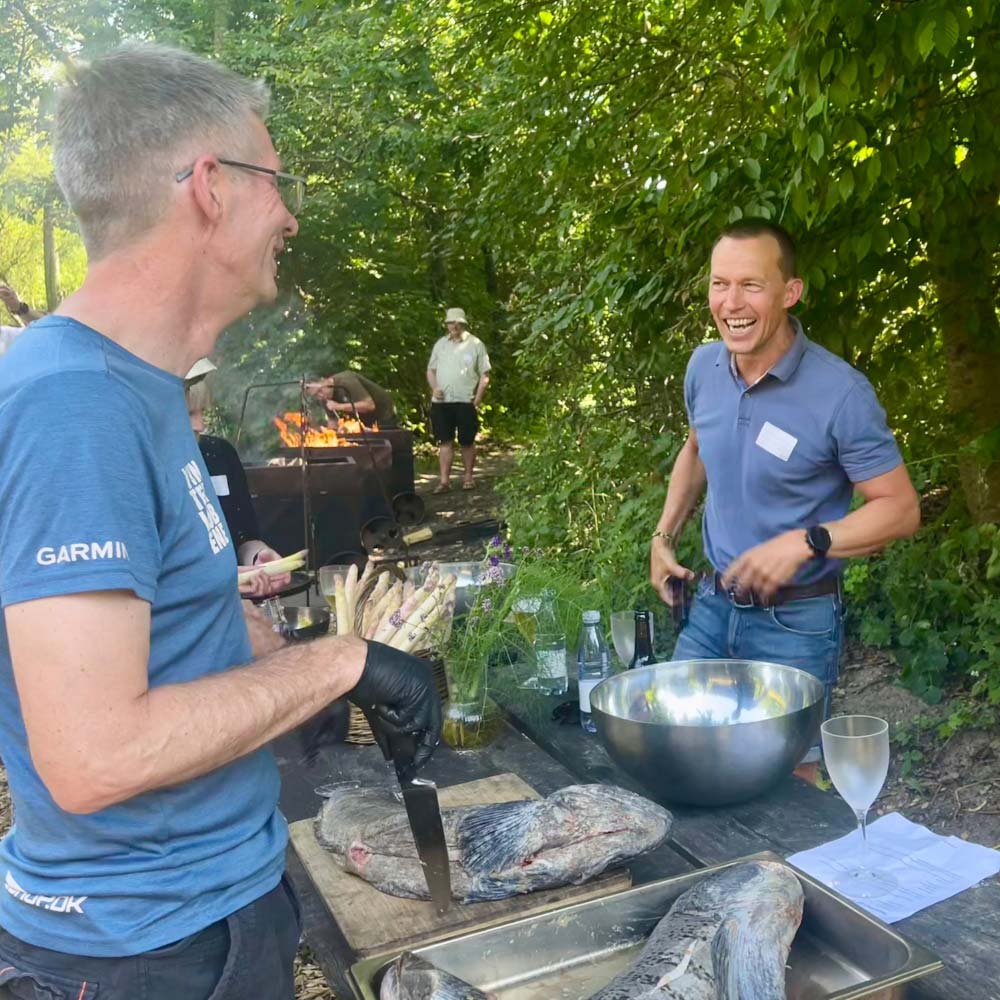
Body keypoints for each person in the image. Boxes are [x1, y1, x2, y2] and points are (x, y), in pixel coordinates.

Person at [0, 43, 440, 999]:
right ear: (209, 187)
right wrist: (341, 659)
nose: (288, 214)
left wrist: (271, 650)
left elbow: (172, 629)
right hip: (145, 956)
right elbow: (92, 755)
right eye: (275, 182)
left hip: (211, 913)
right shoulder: (74, 403)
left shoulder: (140, 390)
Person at [649, 220, 920, 741]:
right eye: (719, 284)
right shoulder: (704, 367)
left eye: (751, 285)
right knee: (677, 745)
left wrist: (807, 542)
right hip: (709, 609)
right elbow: (698, 448)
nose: (731, 302)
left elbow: (901, 508)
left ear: (790, 292)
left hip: (796, 625)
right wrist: (664, 535)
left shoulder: (841, 393)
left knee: (786, 791)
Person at [185, 360, 287, 597]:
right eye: (189, 413)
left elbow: (245, 536)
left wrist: (257, 557)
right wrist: (222, 579)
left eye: (203, 412)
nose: (199, 425)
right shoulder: (143, 469)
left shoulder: (220, 454)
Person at [426, 306, 491, 493]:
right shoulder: (440, 344)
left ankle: (468, 478)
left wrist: (477, 400)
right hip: (441, 403)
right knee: (444, 441)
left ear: (463, 323)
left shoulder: (476, 344)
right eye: (449, 322)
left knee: (467, 441)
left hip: (465, 401)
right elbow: (431, 370)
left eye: (456, 322)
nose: (452, 325)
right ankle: (444, 482)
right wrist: (434, 388)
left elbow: (484, 374)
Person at [305, 369, 397, 428]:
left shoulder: (346, 381)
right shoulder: (324, 398)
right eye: (316, 395)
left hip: (383, 415)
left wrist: (339, 407)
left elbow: (369, 405)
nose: (320, 396)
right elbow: (332, 421)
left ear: (324, 380)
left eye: (320, 391)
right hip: (363, 422)